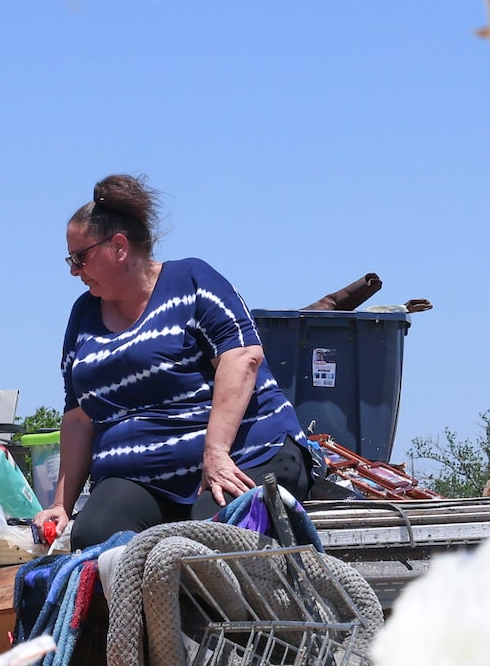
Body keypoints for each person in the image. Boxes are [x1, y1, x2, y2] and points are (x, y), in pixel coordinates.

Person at [36, 174, 315, 552]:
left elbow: (243, 357)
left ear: (118, 246)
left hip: (245, 455)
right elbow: (78, 416)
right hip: (142, 479)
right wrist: (60, 506)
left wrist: (215, 454)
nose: (73, 269)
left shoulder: (192, 280)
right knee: (94, 534)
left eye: (80, 257)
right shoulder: (83, 315)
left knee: (205, 539)